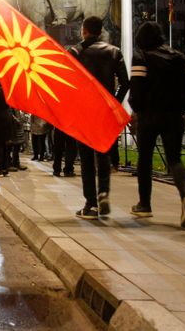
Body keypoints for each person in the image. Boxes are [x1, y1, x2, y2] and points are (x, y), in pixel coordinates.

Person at [129, 21, 185, 227]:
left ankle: (144, 204)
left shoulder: (142, 57)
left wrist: (137, 110)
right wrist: (180, 107)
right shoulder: (180, 58)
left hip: (149, 115)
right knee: (174, 159)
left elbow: (137, 89)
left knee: (145, 158)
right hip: (174, 115)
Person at [69, 16, 129, 220]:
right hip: (105, 109)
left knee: (85, 157)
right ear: (100, 30)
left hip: (84, 109)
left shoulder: (76, 52)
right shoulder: (114, 52)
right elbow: (125, 82)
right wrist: (114, 101)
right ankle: (103, 191)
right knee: (103, 151)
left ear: (84, 30)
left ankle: (90, 203)